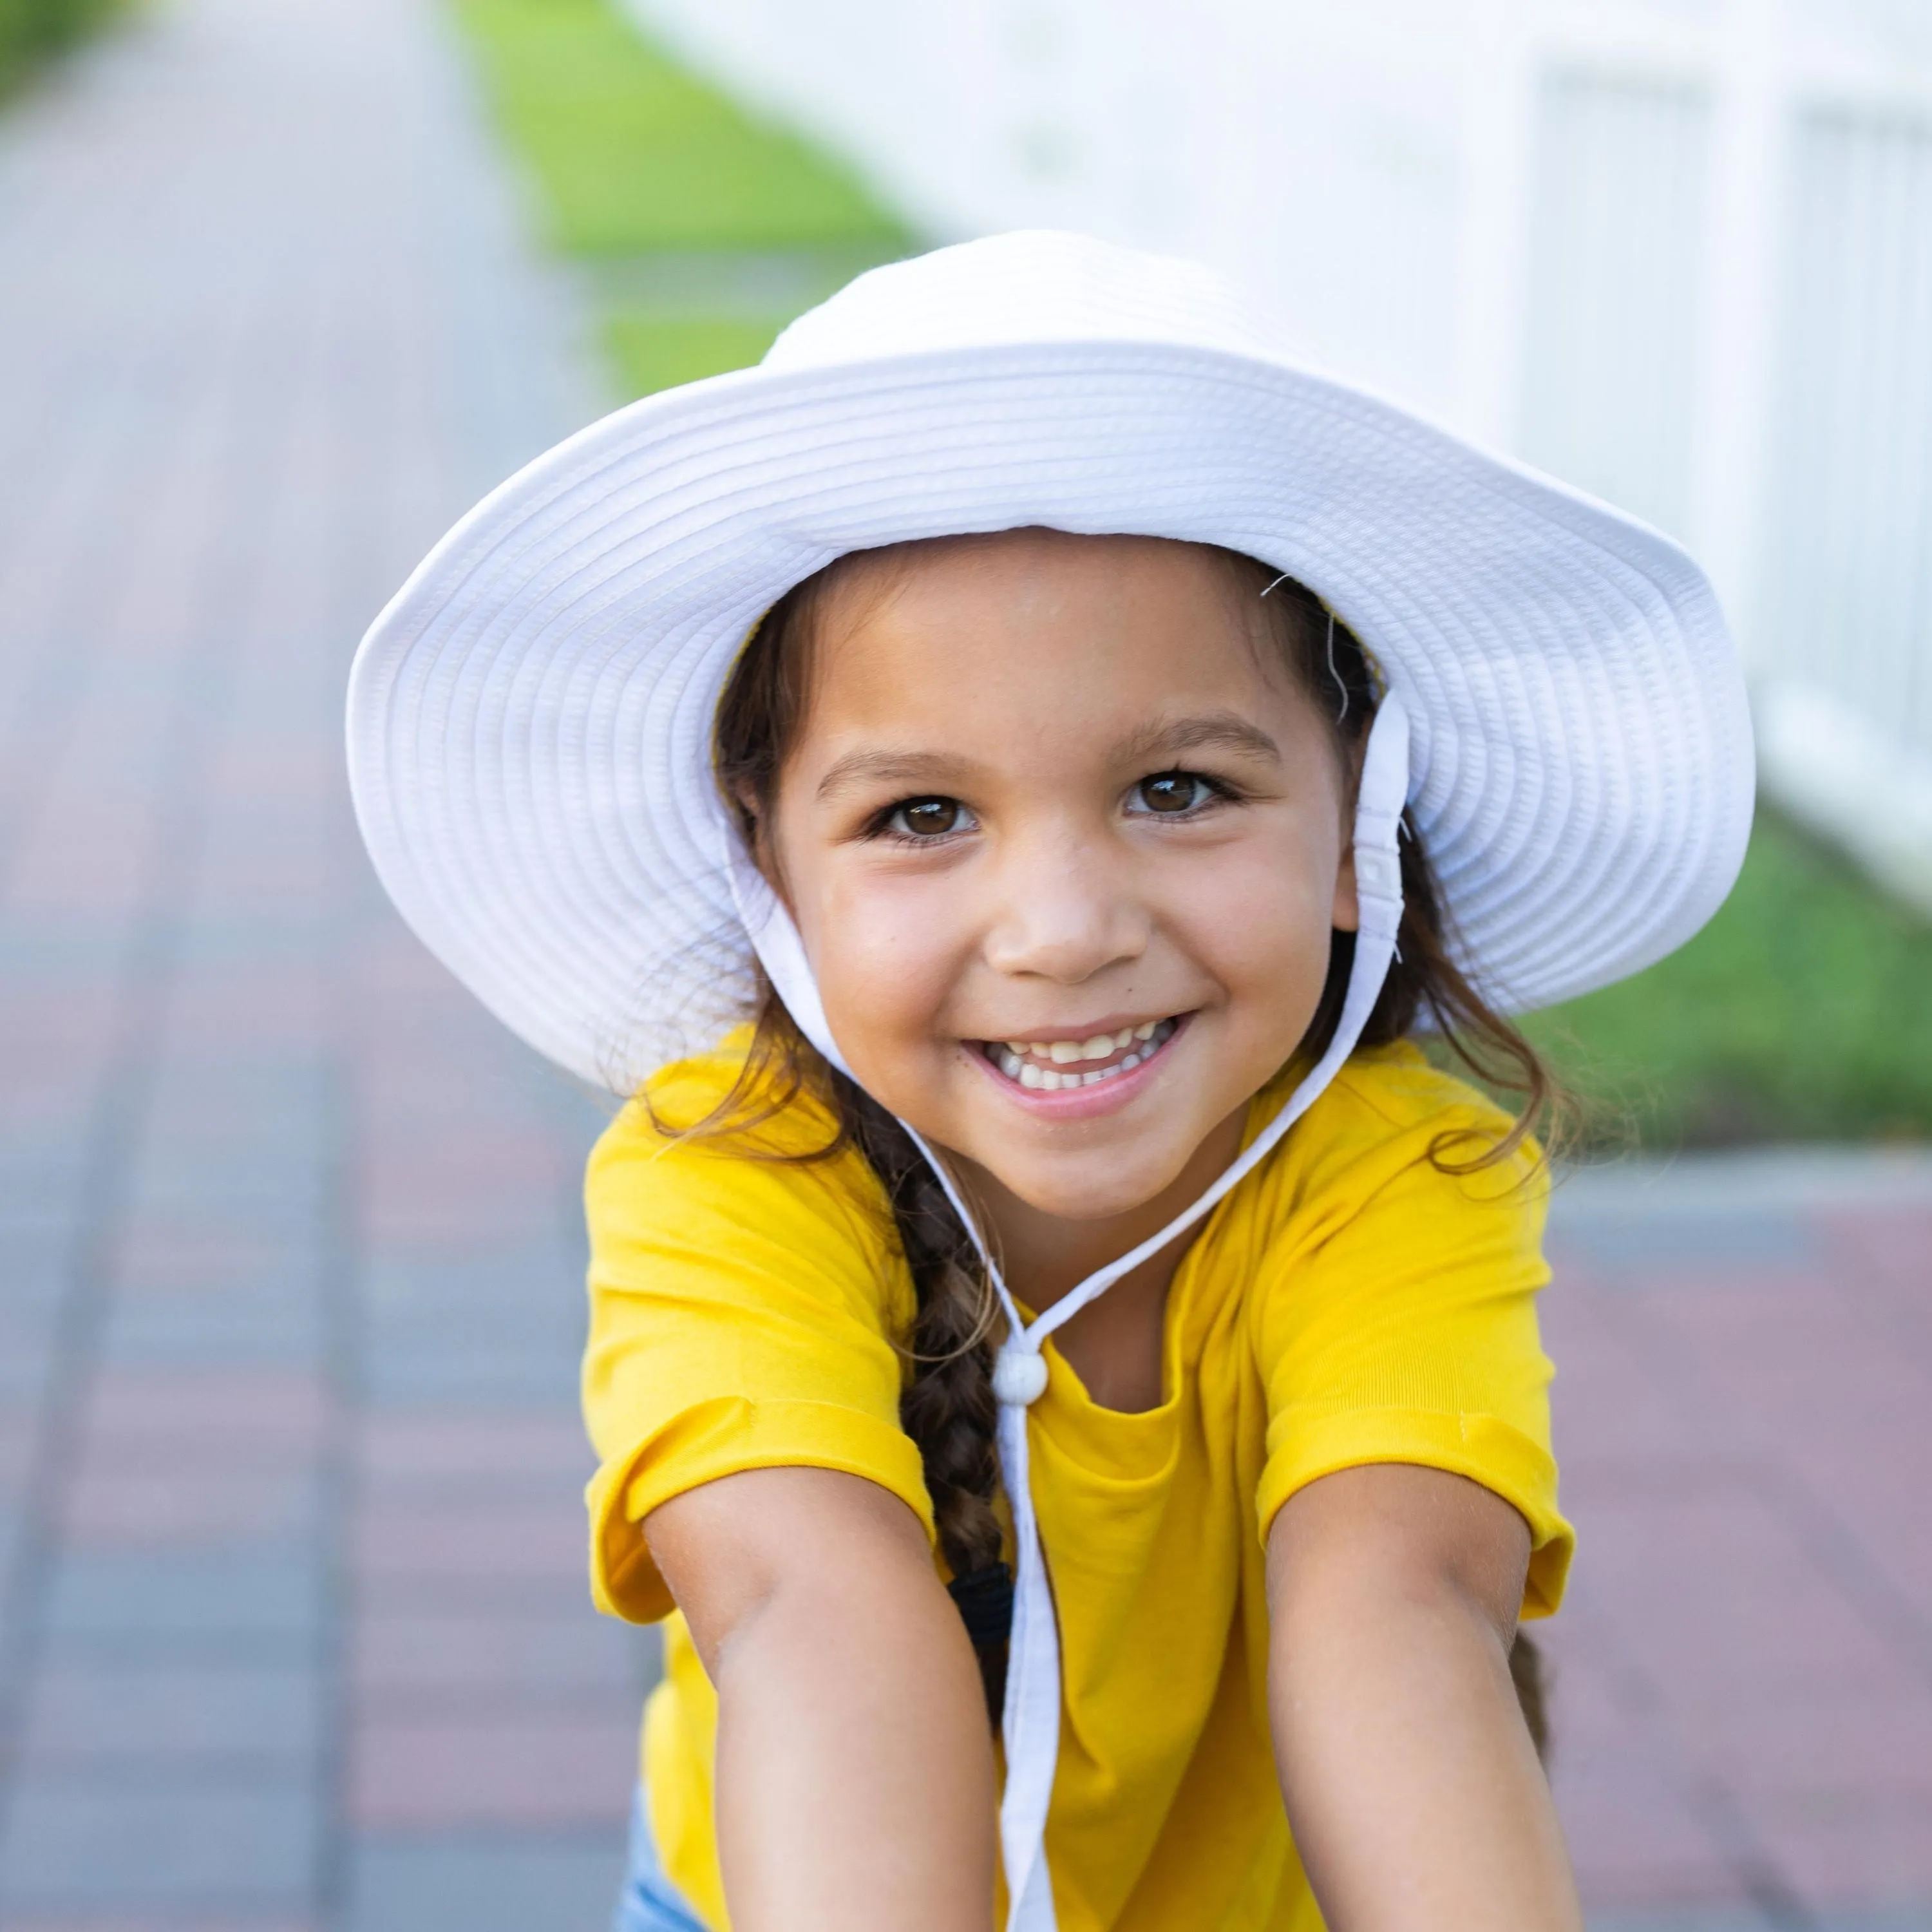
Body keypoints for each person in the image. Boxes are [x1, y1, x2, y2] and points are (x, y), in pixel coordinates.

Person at [346, 232, 1754, 1932]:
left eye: (1177, 786)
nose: (1067, 931)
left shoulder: (1399, 1184)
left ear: (1355, 828)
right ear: (767, 869)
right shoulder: (728, 1172)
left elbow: (1401, 1613)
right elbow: (802, 1608)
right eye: (921, 817)